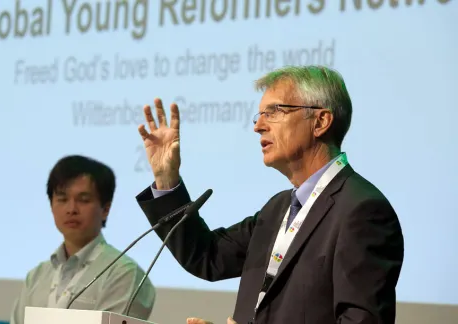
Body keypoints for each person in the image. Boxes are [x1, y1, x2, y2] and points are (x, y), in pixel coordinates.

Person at [135, 66, 404, 324]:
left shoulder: (362, 211)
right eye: (259, 114)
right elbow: (207, 256)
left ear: (320, 121)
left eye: (274, 111)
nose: (258, 126)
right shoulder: (278, 208)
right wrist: (166, 178)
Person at [11, 155, 156, 324]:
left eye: (83, 200)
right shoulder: (36, 277)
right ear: (51, 206)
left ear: (105, 209)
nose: (71, 209)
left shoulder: (125, 274)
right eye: (62, 199)